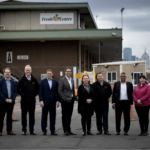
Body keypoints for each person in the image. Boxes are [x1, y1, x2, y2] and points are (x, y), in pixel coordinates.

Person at [17, 65, 39, 135]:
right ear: (24, 71)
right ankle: (24, 130)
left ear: (31, 71)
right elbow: (17, 89)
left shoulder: (34, 79)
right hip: (24, 101)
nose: (28, 71)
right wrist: (22, 94)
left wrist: (34, 94)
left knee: (32, 116)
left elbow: (37, 89)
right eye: (26, 70)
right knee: (24, 116)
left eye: (29, 70)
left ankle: (31, 130)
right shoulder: (21, 79)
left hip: (32, 101)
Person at [39, 69, 59, 135]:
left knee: (53, 117)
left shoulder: (55, 81)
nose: (49, 74)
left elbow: (57, 92)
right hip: (45, 102)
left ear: (52, 74)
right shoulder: (42, 81)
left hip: (52, 102)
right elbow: (40, 92)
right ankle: (44, 130)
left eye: (50, 73)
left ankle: (52, 130)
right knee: (44, 117)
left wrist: (57, 101)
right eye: (48, 73)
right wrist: (41, 100)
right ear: (46, 74)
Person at [58, 67, 77, 136]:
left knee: (69, 116)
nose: (68, 72)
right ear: (65, 72)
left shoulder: (72, 80)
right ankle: (65, 130)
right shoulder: (62, 80)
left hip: (71, 100)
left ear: (71, 72)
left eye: (69, 71)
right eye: (67, 71)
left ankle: (69, 130)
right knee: (65, 115)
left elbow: (72, 90)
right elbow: (59, 90)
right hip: (65, 101)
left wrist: (74, 97)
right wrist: (64, 98)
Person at [0, 67, 17, 136]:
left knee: (9, 117)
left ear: (10, 73)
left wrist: (12, 99)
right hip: (2, 102)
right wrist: (5, 99)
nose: (7, 73)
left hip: (10, 102)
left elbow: (15, 92)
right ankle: (0, 131)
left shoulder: (13, 82)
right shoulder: (0, 81)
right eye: (6, 72)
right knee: (1, 117)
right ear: (4, 73)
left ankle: (9, 130)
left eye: (8, 72)